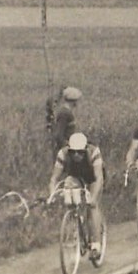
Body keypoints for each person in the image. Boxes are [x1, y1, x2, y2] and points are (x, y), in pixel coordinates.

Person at [49, 131, 106, 260]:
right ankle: (74, 224)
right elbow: (54, 178)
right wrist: (52, 194)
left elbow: (99, 178)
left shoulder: (94, 152)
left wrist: (93, 197)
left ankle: (96, 244)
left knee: (92, 205)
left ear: (85, 149)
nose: (76, 155)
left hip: (92, 178)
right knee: (69, 190)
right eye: (73, 152)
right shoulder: (62, 154)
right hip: (75, 177)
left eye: (80, 152)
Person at [45, 85, 83, 162]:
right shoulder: (64, 113)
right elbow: (59, 135)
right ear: (73, 101)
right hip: (65, 150)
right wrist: (67, 149)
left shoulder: (66, 112)